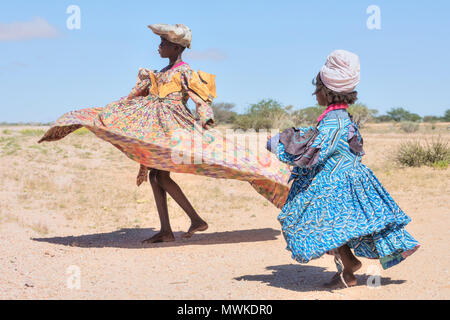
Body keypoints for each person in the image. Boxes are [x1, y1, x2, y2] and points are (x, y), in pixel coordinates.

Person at [39, 23, 291, 244]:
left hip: (174, 128)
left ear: (176, 48)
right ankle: (175, 227)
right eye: (160, 42)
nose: (159, 47)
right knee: (156, 176)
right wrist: (110, 112)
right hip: (155, 128)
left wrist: (204, 120)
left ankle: (186, 222)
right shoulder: (156, 74)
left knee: (160, 176)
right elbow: (134, 96)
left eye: (163, 43)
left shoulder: (185, 72)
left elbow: (200, 99)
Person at [268, 50, 420, 289]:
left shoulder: (332, 122)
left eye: (317, 89)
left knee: (308, 218)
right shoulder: (343, 119)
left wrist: (279, 143)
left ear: (326, 92)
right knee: (337, 225)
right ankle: (346, 270)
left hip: (333, 183)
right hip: (348, 180)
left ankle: (348, 265)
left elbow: (312, 152)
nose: (315, 93)